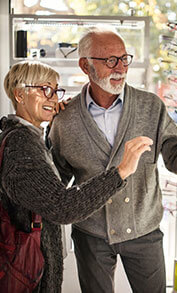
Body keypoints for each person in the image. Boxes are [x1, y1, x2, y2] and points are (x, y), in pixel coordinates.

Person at [49, 27, 177, 293]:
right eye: (110, 60)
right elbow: (54, 183)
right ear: (85, 65)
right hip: (91, 234)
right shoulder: (65, 120)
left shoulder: (150, 106)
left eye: (124, 58)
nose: (120, 68)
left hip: (144, 231)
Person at [0, 60, 153, 292]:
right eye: (45, 90)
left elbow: (46, 187)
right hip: (28, 276)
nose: (53, 98)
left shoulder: (28, 136)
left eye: (55, 90)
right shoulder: (21, 146)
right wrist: (121, 172)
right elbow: (62, 206)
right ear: (20, 95)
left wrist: (54, 124)